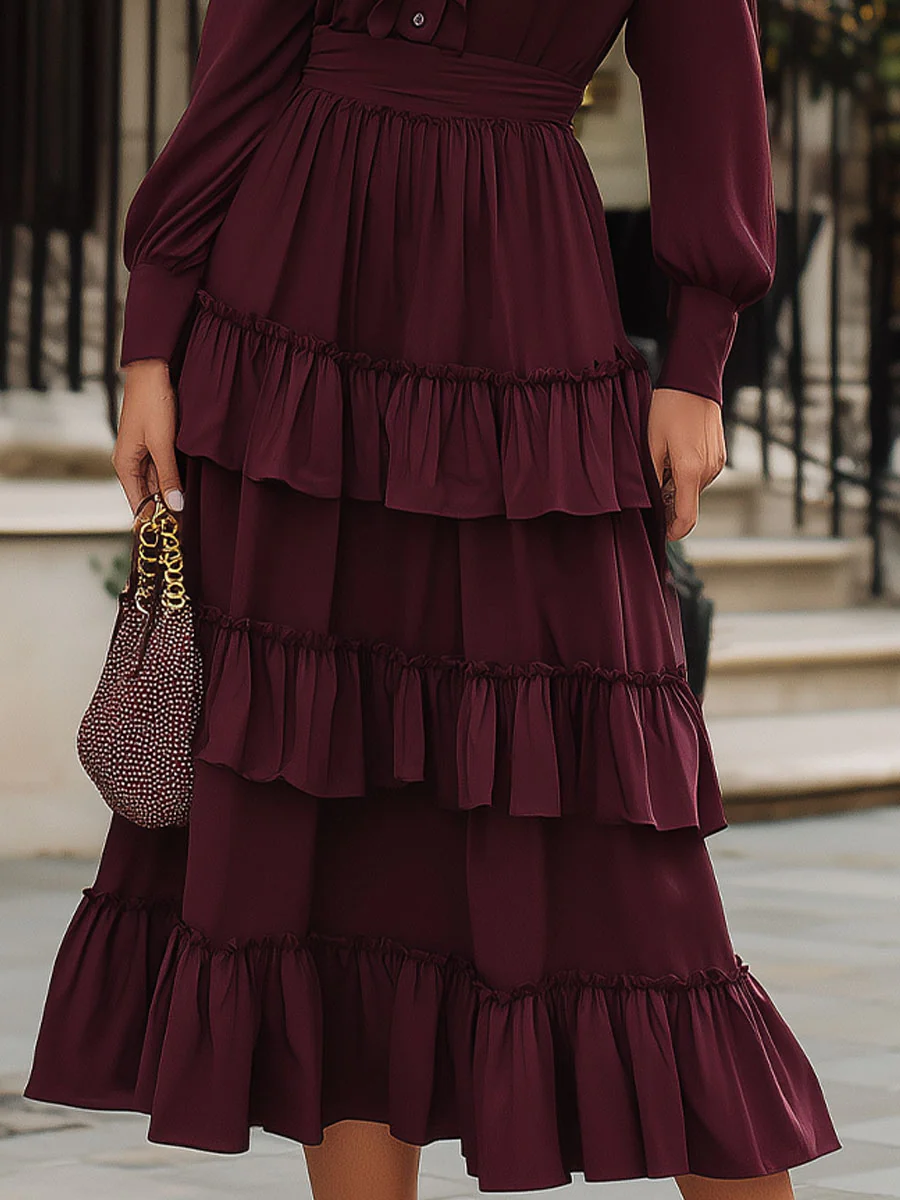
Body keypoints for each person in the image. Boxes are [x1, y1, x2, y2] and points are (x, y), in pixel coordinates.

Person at [25, 1, 841, 1196]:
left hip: (523, 307)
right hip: (294, 325)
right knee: (325, 833)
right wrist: (153, 337)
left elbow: (707, 61)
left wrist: (699, 360)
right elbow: (246, 55)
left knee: (617, 841)